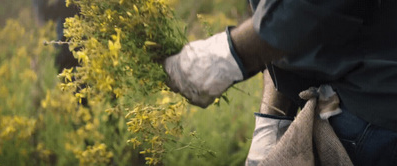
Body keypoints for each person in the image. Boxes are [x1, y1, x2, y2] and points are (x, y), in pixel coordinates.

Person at [164, 0, 397, 165]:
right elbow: (273, 18)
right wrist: (272, 119)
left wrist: (230, 55)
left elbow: (309, 10)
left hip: (377, 116)